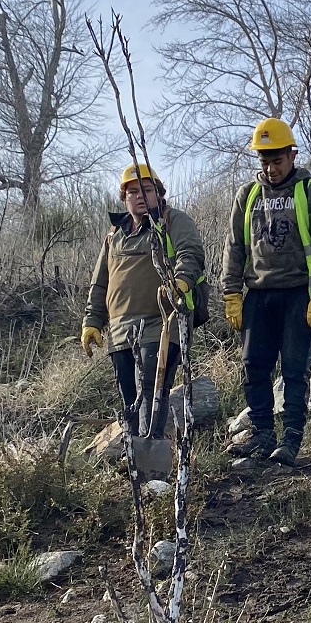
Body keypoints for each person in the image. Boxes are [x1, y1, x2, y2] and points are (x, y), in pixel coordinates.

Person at [222, 118, 311, 467]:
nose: (271, 168)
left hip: (298, 294)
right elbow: (234, 248)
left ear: (292, 155)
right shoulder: (247, 196)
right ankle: (262, 434)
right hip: (258, 294)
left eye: (277, 160)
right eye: (264, 161)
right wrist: (231, 293)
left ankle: (290, 439)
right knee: (253, 367)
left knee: (293, 370)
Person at [80, 164, 206, 441]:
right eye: (133, 191)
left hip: (162, 323)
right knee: (130, 398)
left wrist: (181, 281)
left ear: (159, 194)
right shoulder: (114, 235)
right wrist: (92, 321)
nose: (140, 196)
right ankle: (136, 457)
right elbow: (101, 282)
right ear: (124, 198)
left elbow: (191, 252)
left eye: (147, 190)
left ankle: (151, 459)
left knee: (151, 387)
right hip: (120, 330)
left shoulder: (173, 221)